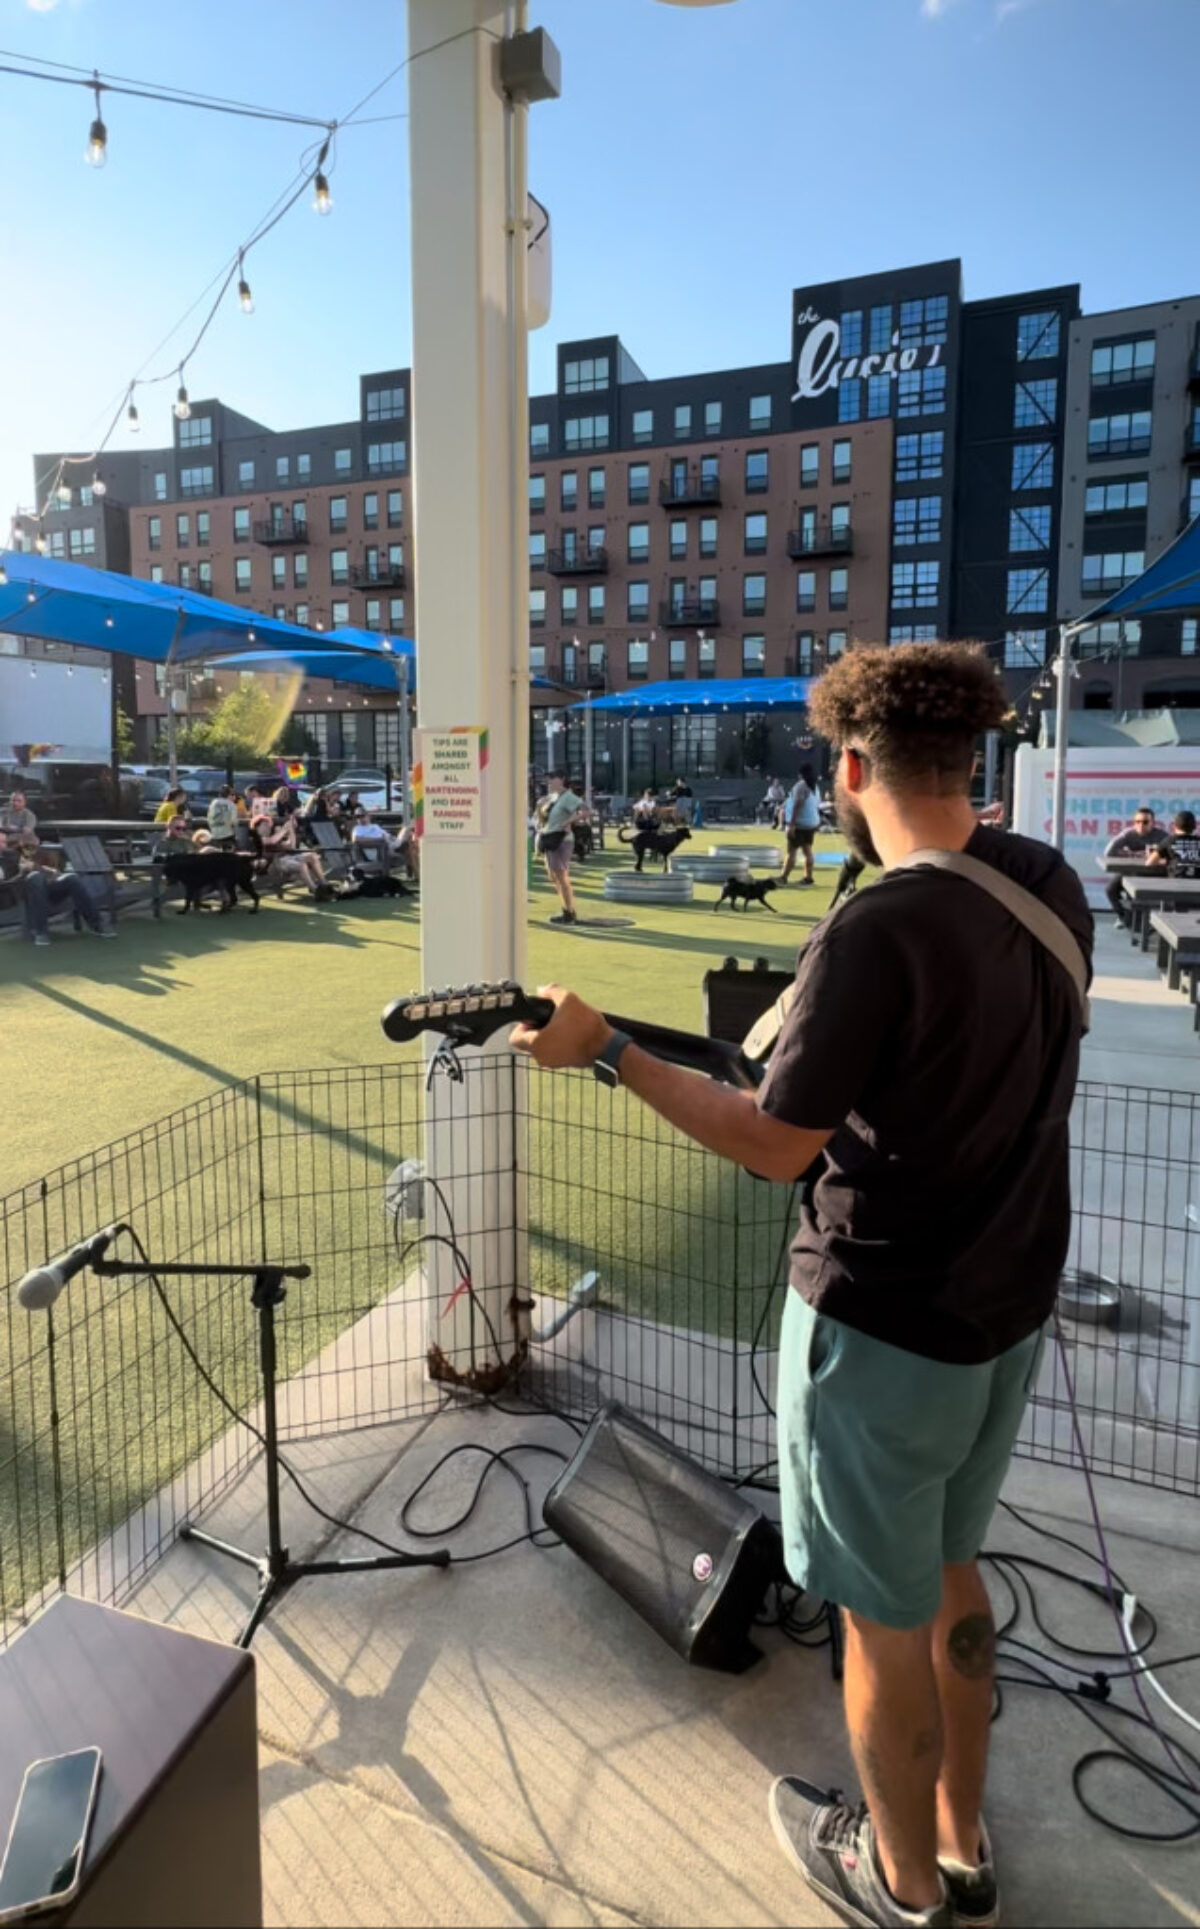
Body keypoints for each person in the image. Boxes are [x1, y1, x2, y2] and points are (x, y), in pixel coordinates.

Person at [510, 643, 1092, 1929]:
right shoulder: (1046, 882)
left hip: (880, 1330)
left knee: (880, 1617)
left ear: (852, 768)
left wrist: (607, 1051)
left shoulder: (878, 926)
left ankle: (900, 1884)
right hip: (1005, 1313)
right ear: (972, 757)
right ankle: (962, 1842)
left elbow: (776, 1142)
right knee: (952, 1573)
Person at [18, 835, 115, 947]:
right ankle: (41, 931)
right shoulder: (13, 855)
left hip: (50, 888)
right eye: (26, 845)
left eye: (33, 845)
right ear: (21, 844)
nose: (30, 849)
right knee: (36, 877)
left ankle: (96, 924)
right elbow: (12, 877)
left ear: (37, 843)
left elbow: (56, 872)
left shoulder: (45, 854)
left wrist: (35, 867)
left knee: (72, 879)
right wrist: (28, 870)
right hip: (28, 892)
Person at [1103, 806, 1167, 922]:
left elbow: (1171, 856)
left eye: (1145, 822)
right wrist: (1135, 854)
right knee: (1110, 890)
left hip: (1154, 874)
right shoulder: (1128, 834)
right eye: (1137, 822)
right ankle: (1124, 917)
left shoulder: (1162, 836)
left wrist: (1157, 857)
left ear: (1153, 823)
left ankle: (1150, 921)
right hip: (1131, 871)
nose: (1141, 825)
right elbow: (1108, 852)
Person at [537, 772, 582, 926]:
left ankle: (569, 912)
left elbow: (587, 811)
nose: (549, 782)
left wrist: (568, 822)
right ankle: (567, 910)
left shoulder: (568, 796)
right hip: (549, 838)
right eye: (548, 780)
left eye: (552, 779)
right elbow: (545, 818)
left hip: (561, 839)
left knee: (561, 876)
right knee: (553, 876)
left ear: (562, 780)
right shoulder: (552, 798)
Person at [255, 811, 334, 898]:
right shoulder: (257, 838)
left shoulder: (274, 838)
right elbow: (271, 841)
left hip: (286, 859)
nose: (268, 827)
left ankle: (325, 884)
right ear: (257, 827)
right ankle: (315, 890)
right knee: (301, 864)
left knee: (312, 856)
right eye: (264, 825)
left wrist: (291, 829)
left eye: (268, 825)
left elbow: (291, 846)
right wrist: (284, 829)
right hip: (274, 864)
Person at [780, 763, 821, 886]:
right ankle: (808, 877)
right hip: (811, 823)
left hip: (800, 824)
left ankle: (783, 877)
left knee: (791, 851)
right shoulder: (815, 786)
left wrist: (792, 825)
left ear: (800, 774)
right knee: (807, 850)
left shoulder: (801, 785)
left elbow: (798, 804)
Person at [1147, 808, 1200, 877]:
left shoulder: (1169, 840)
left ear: (1174, 826)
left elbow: (1149, 863)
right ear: (1194, 826)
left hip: (1176, 881)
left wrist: (1167, 862)